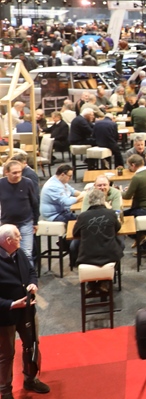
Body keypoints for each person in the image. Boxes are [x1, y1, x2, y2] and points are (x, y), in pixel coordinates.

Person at [0, 224, 50, 397]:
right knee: (6, 355)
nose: (21, 238)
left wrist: (33, 283)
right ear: (8, 240)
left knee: (31, 345)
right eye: (18, 236)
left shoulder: (18, 252)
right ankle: (5, 391)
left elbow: (31, 271)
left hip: (27, 311)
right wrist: (12, 304)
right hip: (5, 316)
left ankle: (31, 379)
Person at [72, 188, 123, 293]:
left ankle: (91, 284)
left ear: (89, 201)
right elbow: (117, 228)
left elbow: (75, 233)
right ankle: (104, 282)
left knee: (76, 246)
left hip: (87, 257)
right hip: (109, 255)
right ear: (103, 199)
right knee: (119, 247)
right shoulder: (111, 214)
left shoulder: (83, 216)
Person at [0, 160, 40, 265]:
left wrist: (35, 222)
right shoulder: (1, 184)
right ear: (7, 172)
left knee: (27, 254)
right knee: (7, 254)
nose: (17, 175)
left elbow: (34, 203)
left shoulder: (27, 183)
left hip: (25, 223)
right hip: (6, 224)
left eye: (19, 172)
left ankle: (28, 275)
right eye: (14, 173)